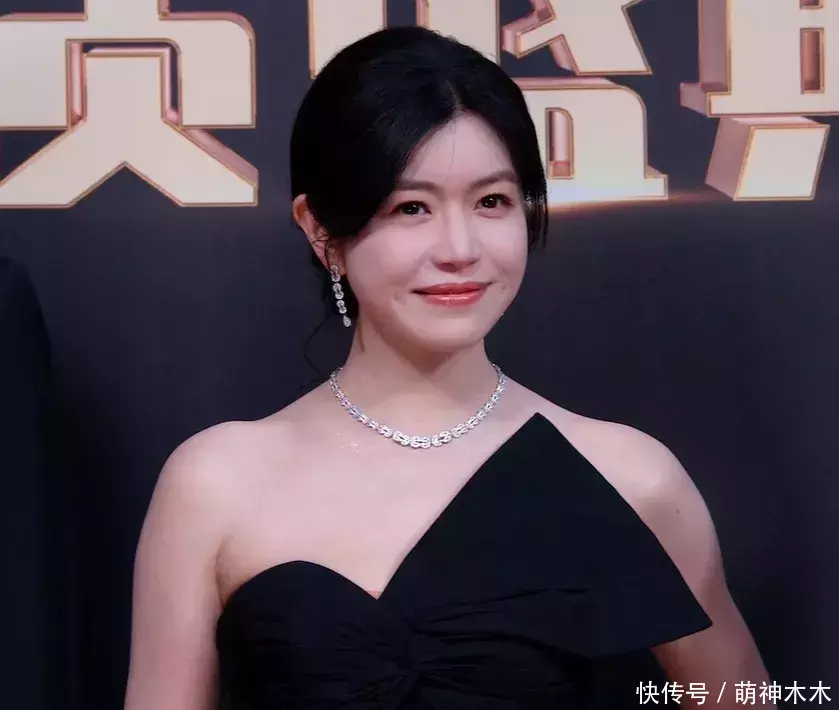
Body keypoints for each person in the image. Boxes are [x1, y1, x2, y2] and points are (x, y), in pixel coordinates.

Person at [124, 26, 771, 710]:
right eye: (411, 208)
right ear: (321, 230)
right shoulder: (216, 484)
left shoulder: (629, 478)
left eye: (492, 202)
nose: (459, 248)